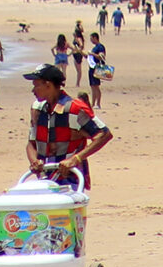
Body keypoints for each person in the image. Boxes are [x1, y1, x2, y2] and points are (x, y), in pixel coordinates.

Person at [24, 63, 113, 195]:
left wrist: (75, 159)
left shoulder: (74, 109)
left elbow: (104, 134)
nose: (33, 90)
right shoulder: (37, 109)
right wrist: (34, 162)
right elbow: (31, 144)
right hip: (44, 180)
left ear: (48, 85)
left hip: (70, 180)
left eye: (36, 85)